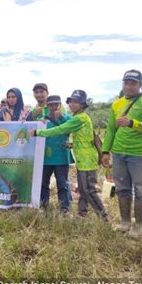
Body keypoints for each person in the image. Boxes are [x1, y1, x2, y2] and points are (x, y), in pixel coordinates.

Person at [31, 90, 108, 221]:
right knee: (84, 189)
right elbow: (82, 137)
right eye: (71, 102)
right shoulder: (76, 117)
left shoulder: (77, 118)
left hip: (86, 159)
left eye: (75, 102)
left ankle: (104, 218)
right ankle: (81, 214)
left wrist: (38, 132)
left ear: (82, 104)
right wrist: (72, 145)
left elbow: (61, 129)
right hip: (81, 159)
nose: (72, 104)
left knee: (87, 190)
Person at [101, 69, 142, 238]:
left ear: (140, 85)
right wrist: (106, 151)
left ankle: (139, 226)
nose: (129, 86)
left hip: (140, 154)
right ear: (123, 84)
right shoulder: (116, 104)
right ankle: (125, 222)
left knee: (141, 189)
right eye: (126, 82)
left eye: (133, 83)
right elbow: (111, 129)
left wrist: (132, 122)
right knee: (122, 189)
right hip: (119, 153)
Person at [39, 95, 75, 215]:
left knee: (62, 184)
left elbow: (71, 130)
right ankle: (43, 205)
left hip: (61, 158)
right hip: (45, 158)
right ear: (47, 106)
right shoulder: (42, 119)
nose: (53, 107)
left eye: (56, 104)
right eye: (51, 105)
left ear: (59, 105)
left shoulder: (68, 118)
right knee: (43, 183)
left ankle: (64, 208)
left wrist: (62, 118)